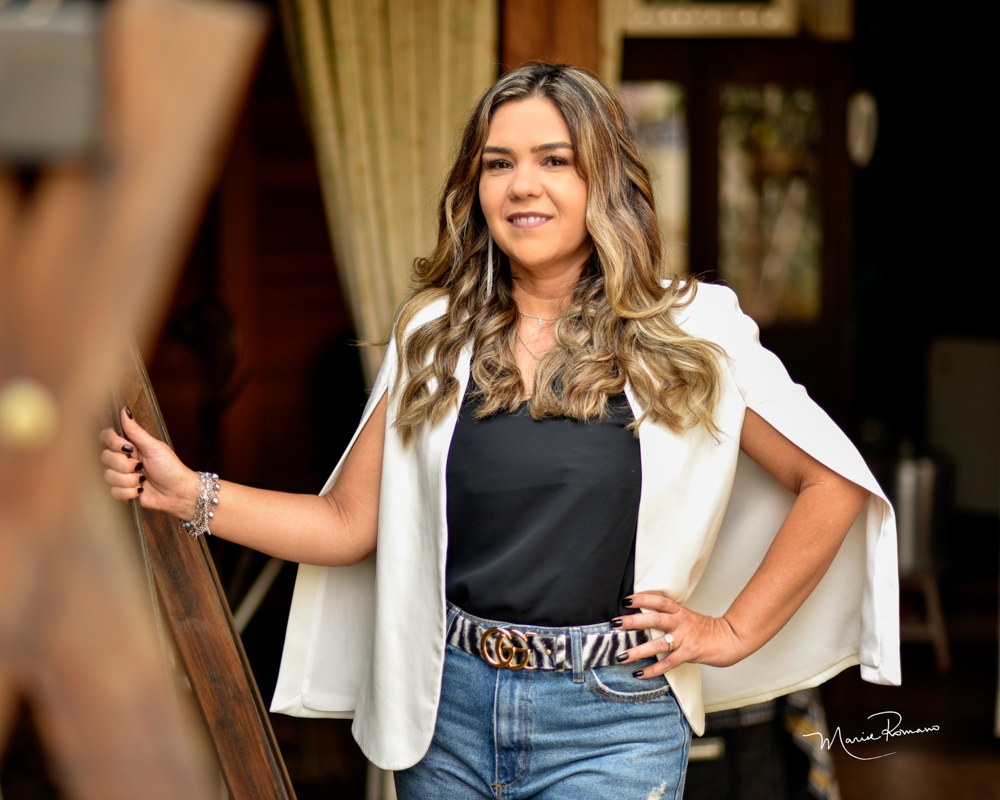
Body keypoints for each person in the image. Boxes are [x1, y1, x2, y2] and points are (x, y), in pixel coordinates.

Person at [101, 63, 899, 799]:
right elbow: (347, 522)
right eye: (498, 163)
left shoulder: (691, 329)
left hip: (613, 722)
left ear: (605, 178)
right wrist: (189, 492)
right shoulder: (433, 332)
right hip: (445, 714)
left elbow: (831, 484)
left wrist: (730, 631)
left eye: (555, 160)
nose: (523, 186)